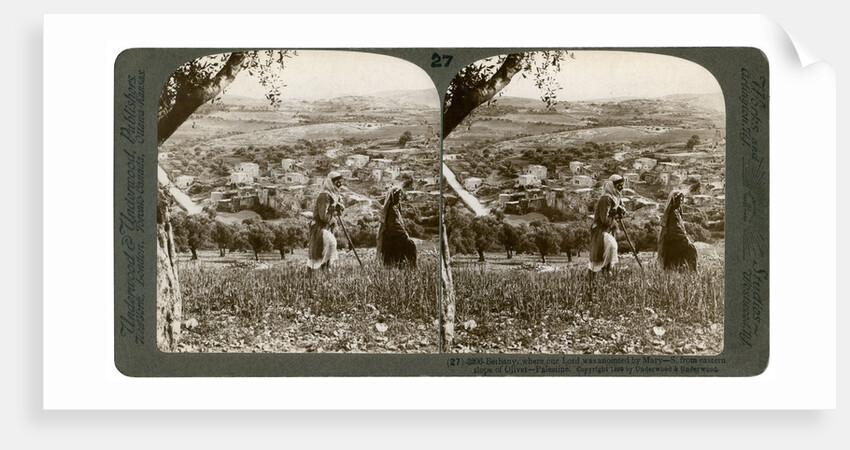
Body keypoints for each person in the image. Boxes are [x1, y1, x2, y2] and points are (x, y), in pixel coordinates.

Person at [306, 171, 345, 270]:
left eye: (341, 182)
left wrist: (338, 208)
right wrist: (333, 208)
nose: (340, 184)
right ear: (331, 182)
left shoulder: (334, 195)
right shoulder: (324, 196)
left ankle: (325, 271)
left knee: (327, 249)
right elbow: (323, 217)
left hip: (327, 227)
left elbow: (337, 212)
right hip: (319, 227)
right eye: (338, 182)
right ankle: (314, 273)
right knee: (330, 245)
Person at [588, 174, 626, 273]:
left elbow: (620, 214)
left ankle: (606, 274)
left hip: (609, 230)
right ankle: (593, 278)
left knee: (608, 253)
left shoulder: (616, 197)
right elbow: (604, 220)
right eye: (619, 185)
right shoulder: (606, 199)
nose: (621, 187)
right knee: (610, 248)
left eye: (622, 185)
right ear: (612, 186)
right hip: (600, 230)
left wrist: (621, 211)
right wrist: (615, 211)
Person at [376, 186, 417, 267]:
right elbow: (390, 225)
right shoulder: (389, 210)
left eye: (400, 196)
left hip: (399, 235)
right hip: (392, 237)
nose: (399, 198)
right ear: (392, 197)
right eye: (398, 196)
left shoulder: (396, 209)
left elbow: (400, 224)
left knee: (411, 246)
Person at [657, 190, 698, 270]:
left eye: (681, 200)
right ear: (674, 201)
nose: (680, 202)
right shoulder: (672, 214)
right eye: (678, 200)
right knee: (691, 249)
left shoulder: (677, 212)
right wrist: (685, 239)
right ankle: (692, 271)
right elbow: (675, 230)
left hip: (678, 240)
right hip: (673, 241)